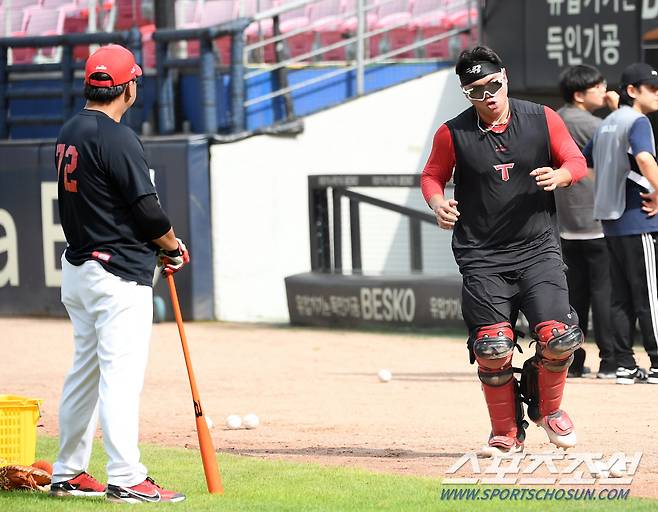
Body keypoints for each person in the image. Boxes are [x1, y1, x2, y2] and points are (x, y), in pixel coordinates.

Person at [421, 46, 587, 456]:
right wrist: (438, 203)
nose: (488, 96)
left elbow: (576, 160)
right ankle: (506, 431)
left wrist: (563, 174)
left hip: (537, 249)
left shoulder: (542, 118)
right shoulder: (452, 133)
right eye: (476, 91)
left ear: (505, 77)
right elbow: (432, 176)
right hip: (482, 255)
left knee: (560, 337)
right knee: (492, 347)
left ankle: (548, 409)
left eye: (493, 85)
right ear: (466, 94)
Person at [50, 44, 190, 503]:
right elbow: (148, 212)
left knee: (84, 375)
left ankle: (68, 471)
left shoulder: (70, 129)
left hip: (79, 269)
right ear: (128, 87)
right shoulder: (117, 137)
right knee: (118, 378)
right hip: (116, 276)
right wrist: (171, 245)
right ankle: (127, 477)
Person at [585, 62, 658, 385]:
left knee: (621, 297)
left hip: (611, 220)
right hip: (638, 219)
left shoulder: (606, 123)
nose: (657, 94)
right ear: (632, 90)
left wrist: (611, 186)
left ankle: (625, 363)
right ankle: (657, 362)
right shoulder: (637, 120)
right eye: (652, 88)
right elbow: (644, 159)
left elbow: (587, 164)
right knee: (650, 295)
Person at [555, 65, 618, 379]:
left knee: (575, 295)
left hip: (567, 224)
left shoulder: (554, 119)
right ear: (579, 94)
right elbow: (625, 142)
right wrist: (617, 109)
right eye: (598, 85)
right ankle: (610, 360)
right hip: (597, 222)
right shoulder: (596, 124)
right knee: (604, 292)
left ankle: (575, 361)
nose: (603, 89)